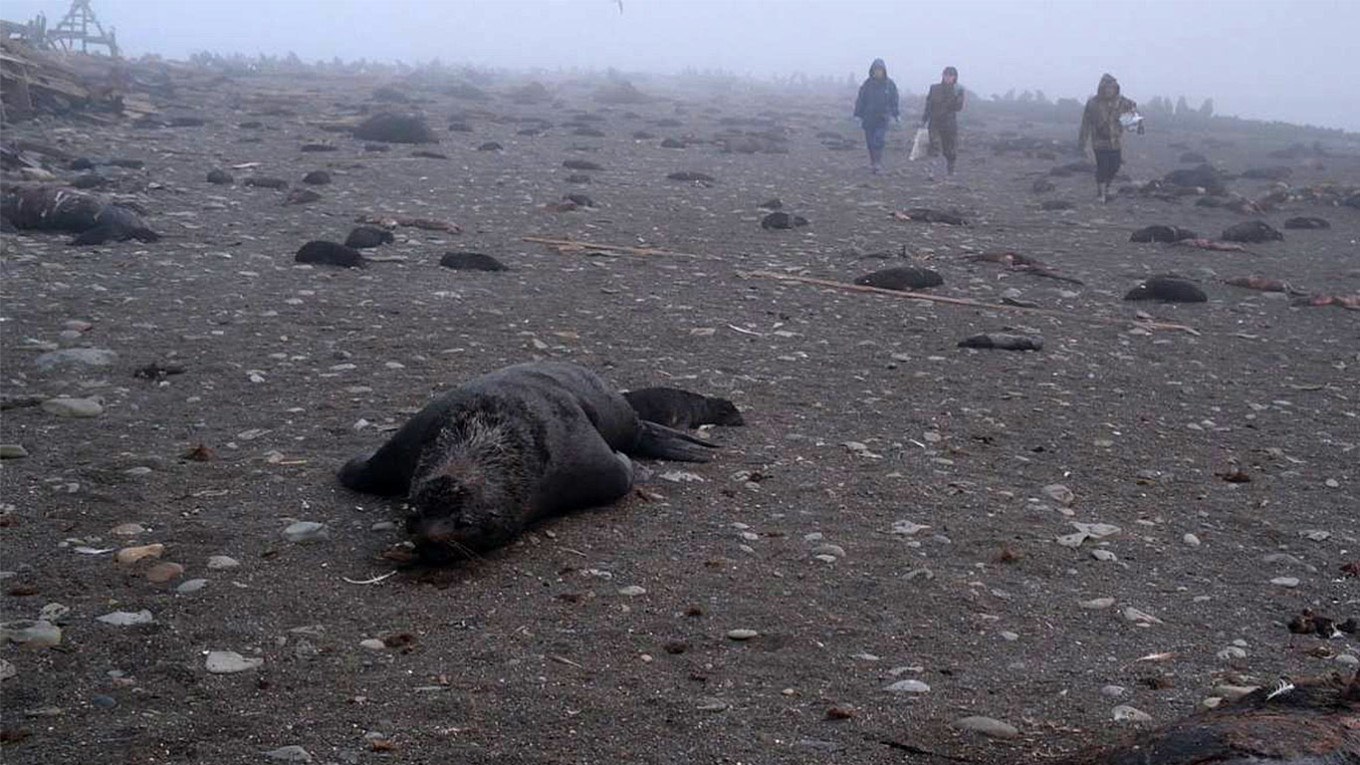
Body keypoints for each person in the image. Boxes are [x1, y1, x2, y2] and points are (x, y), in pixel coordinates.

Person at [1078, 73, 1140, 203]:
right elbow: (1085, 124)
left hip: (1115, 141)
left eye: (1112, 88)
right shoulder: (1093, 104)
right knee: (1103, 166)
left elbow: (1133, 109)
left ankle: (1106, 187)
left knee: (1115, 166)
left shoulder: (1121, 101)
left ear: (1115, 88)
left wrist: (1134, 118)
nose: (1109, 91)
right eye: (1106, 88)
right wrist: (1082, 143)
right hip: (1099, 142)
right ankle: (1101, 194)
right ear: (1101, 88)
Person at [853, 58, 899, 174]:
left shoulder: (890, 85)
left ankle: (877, 163)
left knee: (878, 139)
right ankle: (873, 162)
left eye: (880, 70)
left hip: (882, 118)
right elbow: (861, 100)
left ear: (884, 71)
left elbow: (894, 100)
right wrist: (857, 115)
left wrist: (896, 114)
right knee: (870, 142)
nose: (878, 72)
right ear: (872, 71)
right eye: (876, 70)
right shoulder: (867, 84)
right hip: (868, 118)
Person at [921, 66, 965, 179]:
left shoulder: (958, 90)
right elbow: (929, 104)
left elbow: (958, 107)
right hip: (934, 121)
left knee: (949, 149)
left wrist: (957, 97)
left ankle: (950, 169)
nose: (948, 77)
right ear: (943, 75)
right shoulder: (934, 88)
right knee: (933, 145)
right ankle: (930, 171)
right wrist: (924, 118)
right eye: (946, 75)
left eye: (951, 75)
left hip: (949, 123)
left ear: (955, 77)